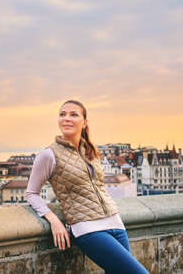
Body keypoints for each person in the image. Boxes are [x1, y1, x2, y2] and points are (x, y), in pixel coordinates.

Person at [25, 99, 148, 274]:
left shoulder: (91, 151)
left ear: (85, 122)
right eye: (62, 114)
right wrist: (54, 220)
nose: (66, 118)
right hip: (88, 229)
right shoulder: (48, 155)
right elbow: (31, 193)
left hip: (115, 222)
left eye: (73, 114)